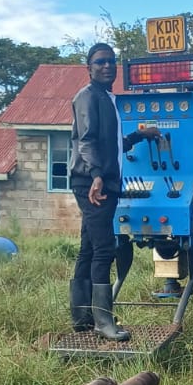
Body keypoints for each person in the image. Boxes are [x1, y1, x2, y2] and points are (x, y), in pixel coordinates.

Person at [69, 45, 157, 341]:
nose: (107, 66)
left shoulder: (107, 99)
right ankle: (103, 322)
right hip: (92, 183)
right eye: (100, 62)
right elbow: (87, 140)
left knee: (89, 248)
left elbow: (112, 145)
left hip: (99, 181)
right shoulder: (87, 97)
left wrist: (138, 136)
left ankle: (81, 316)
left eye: (111, 61)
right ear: (89, 67)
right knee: (104, 248)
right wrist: (96, 176)